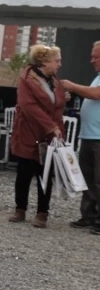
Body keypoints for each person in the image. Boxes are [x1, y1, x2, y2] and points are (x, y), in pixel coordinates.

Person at [10, 45, 67, 227]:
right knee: (24, 173)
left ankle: (42, 212)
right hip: (29, 133)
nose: (59, 64)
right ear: (44, 62)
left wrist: (63, 98)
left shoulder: (54, 81)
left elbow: (56, 106)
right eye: (56, 60)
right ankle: (20, 208)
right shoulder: (26, 81)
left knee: (46, 174)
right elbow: (29, 107)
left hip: (49, 137)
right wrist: (51, 126)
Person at [60, 41, 100, 234]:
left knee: (98, 180)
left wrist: (72, 86)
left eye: (96, 57)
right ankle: (89, 216)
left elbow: (96, 94)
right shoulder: (97, 77)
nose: (92, 60)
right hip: (89, 135)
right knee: (88, 179)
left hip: (98, 137)